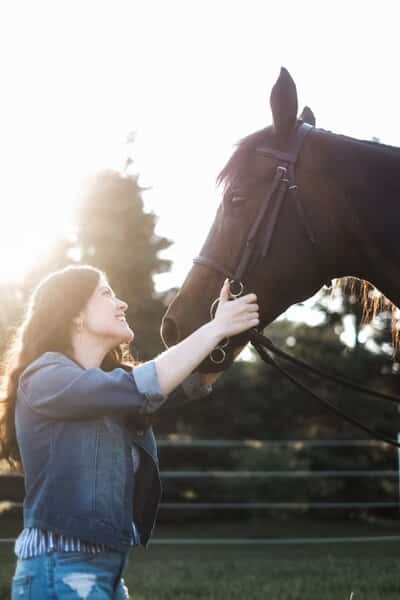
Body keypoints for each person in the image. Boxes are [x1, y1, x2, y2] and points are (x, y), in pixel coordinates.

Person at [0, 264, 259, 599]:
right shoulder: (45, 378)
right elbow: (146, 383)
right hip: (61, 566)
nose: (122, 304)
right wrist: (215, 328)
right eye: (107, 293)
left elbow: (191, 382)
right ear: (75, 313)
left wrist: (234, 329)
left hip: (103, 570)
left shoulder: (112, 388)